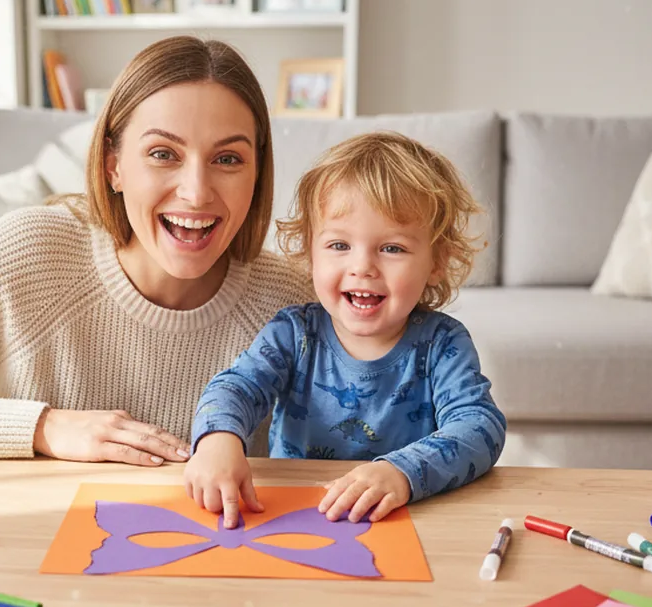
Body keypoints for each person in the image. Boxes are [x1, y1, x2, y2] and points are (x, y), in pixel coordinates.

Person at [0, 37, 312, 465]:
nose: (196, 192)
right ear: (113, 165)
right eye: (162, 154)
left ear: (257, 173)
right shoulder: (32, 252)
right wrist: (42, 427)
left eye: (227, 158)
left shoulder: (294, 302)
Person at [183, 132, 506, 528]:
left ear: (436, 262)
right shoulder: (293, 334)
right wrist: (218, 441)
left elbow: (479, 426)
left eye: (392, 248)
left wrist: (402, 472)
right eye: (339, 245)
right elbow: (235, 388)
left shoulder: (443, 344)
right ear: (310, 252)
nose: (363, 267)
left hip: (409, 520)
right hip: (294, 516)